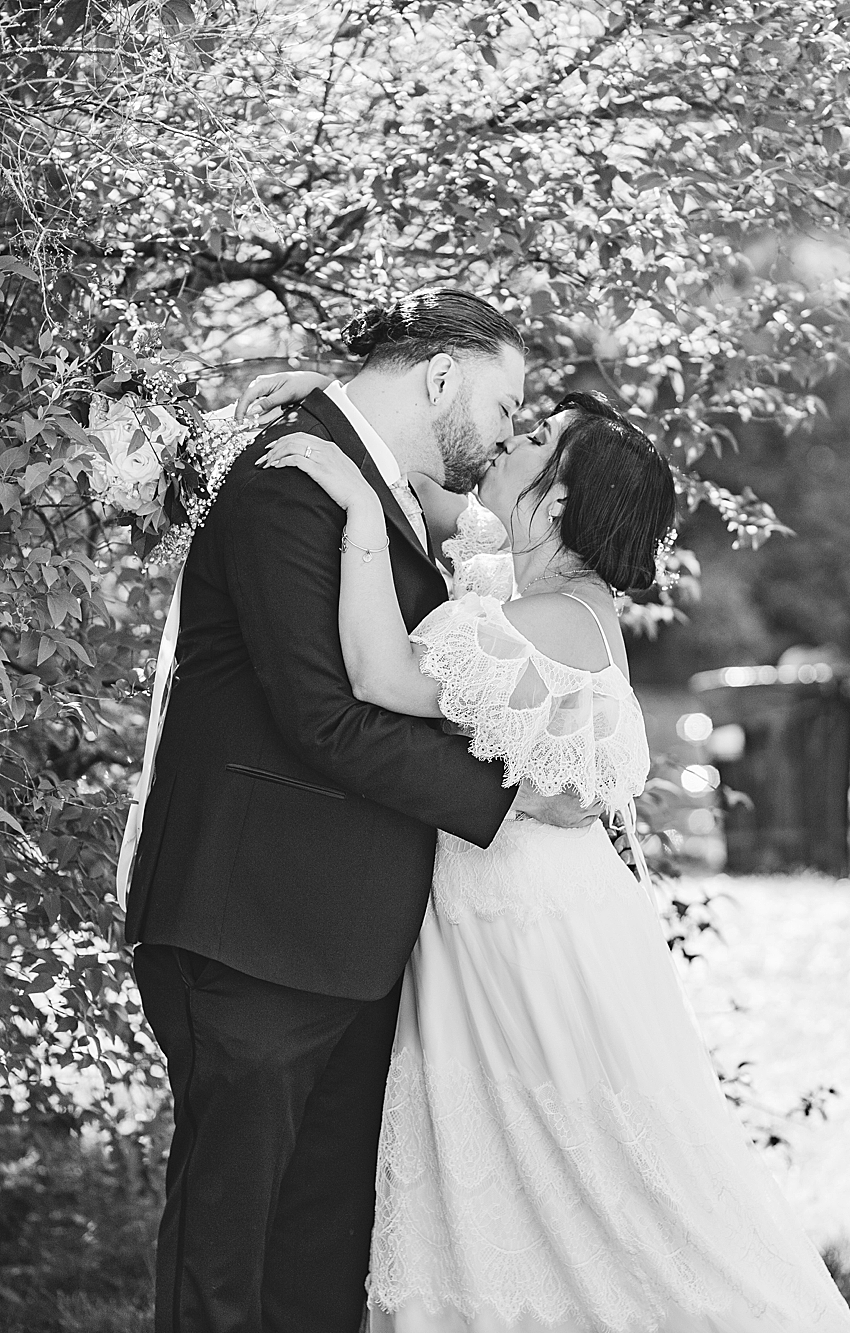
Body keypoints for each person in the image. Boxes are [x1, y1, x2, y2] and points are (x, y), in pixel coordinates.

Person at [254, 384, 850, 1332]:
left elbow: (377, 676)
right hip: (530, 919)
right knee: (535, 1188)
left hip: (524, 940)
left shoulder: (542, 626)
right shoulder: (554, 597)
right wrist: (341, 402)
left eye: (532, 440)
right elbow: (455, 506)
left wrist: (357, 509)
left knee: (599, 1192)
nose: (507, 439)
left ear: (556, 506)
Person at [121, 289, 601, 1333]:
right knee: (228, 1261)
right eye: (504, 399)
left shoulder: (384, 495)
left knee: (317, 1261)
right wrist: (509, 796)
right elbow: (321, 719)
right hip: (248, 930)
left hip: (341, 941)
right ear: (438, 378)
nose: (512, 428)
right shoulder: (288, 483)